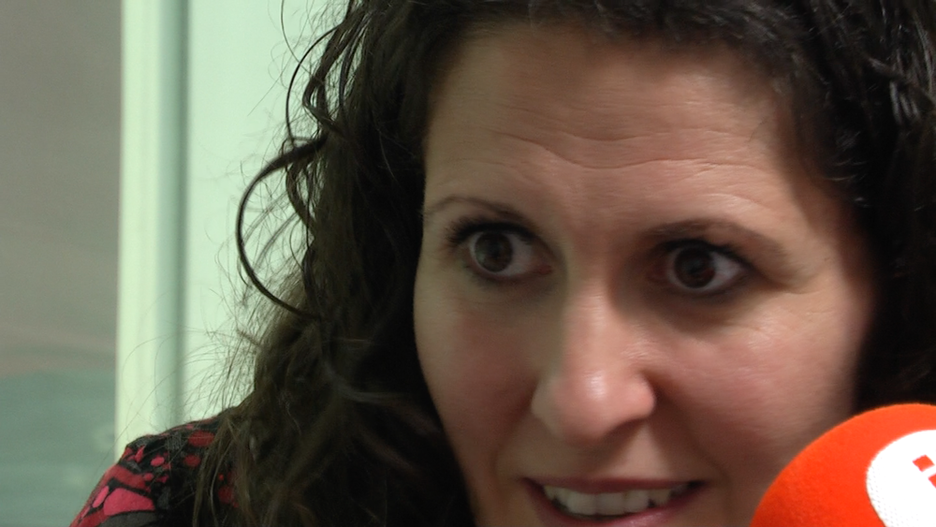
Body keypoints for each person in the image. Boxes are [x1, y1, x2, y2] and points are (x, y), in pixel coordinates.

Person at [70, 0, 936, 526]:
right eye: (498, 250)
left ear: (899, 291)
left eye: (699, 266)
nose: (579, 401)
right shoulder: (194, 507)